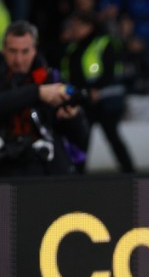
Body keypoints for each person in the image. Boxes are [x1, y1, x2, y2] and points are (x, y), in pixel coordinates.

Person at [0, 20, 88, 176]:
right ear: (3, 50)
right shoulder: (41, 87)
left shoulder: (52, 79)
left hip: (44, 166)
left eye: (25, 51)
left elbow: (81, 139)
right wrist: (37, 93)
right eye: (12, 51)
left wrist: (72, 117)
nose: (18, 60)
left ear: (35, 49)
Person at [59, 10, 136, 173]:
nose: (74, 29)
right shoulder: (72, 47)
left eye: (77, 26)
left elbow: (110, 71)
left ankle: (129, 171)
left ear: (89, 26)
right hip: (82, 99)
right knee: (82, 138)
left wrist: (96, 89)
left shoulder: (103, 43)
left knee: (111, 136)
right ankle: (77, 172)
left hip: (103, 100)